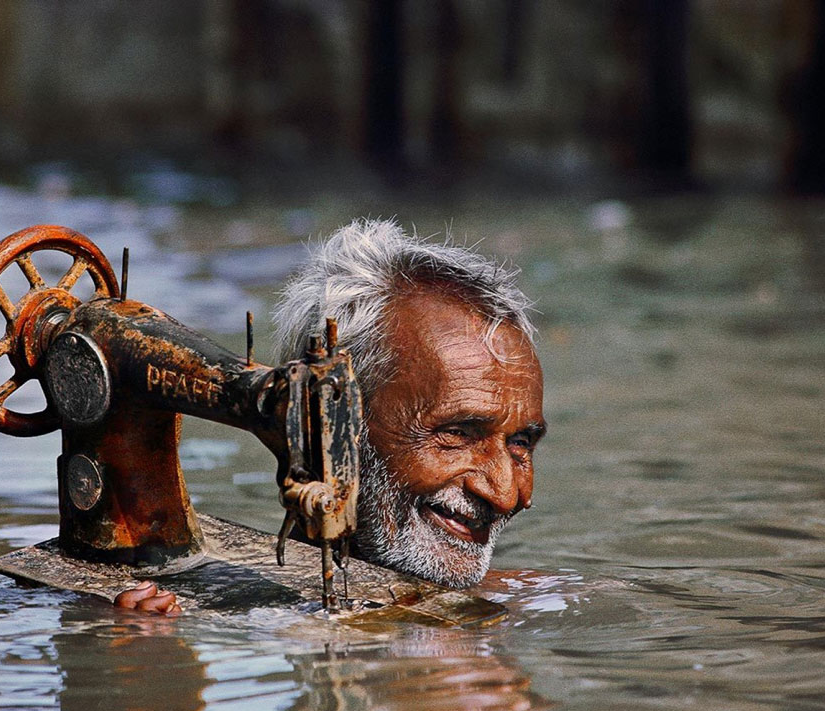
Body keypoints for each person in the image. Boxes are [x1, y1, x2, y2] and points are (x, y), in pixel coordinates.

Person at [117, 219, 545, 615]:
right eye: (458, 433)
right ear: (325, 419)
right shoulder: (167, 617)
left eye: (521, 442)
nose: (508, 495)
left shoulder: (534, 598)